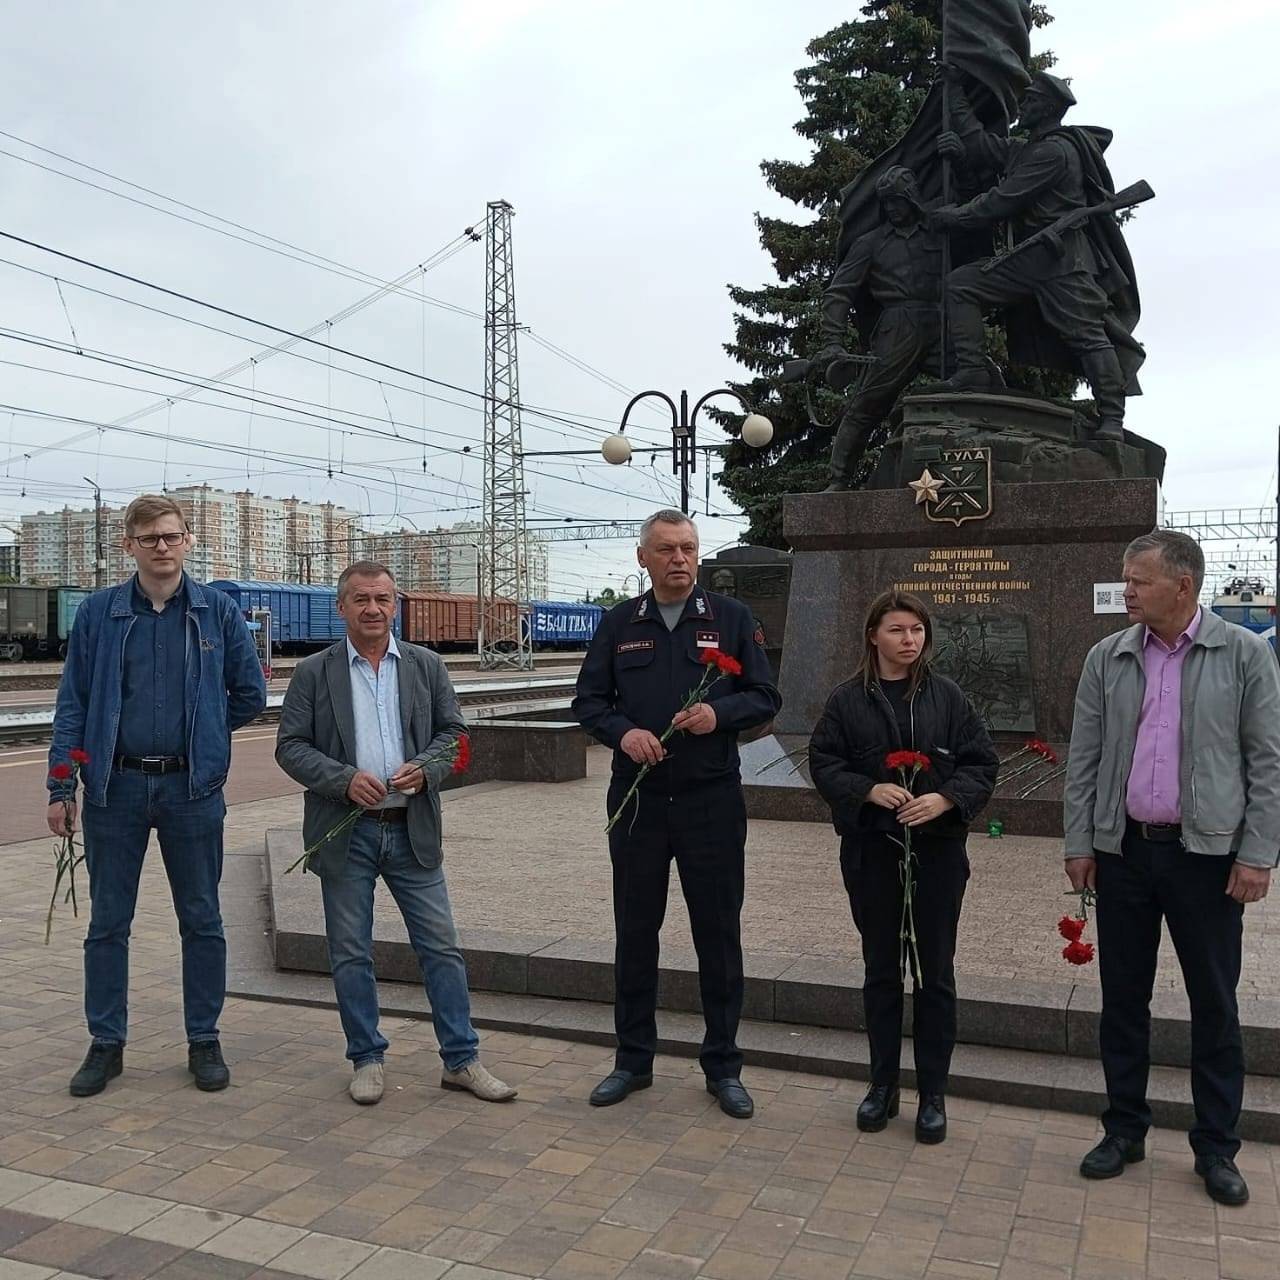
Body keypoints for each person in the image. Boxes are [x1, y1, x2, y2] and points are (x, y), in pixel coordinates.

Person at [1063, 530, 1280, 1206]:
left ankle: (1216, 1147)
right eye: (1126, 578)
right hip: (1125, 852)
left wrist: (1258, 854)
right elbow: (1085, 758)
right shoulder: (1108, 657)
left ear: (1182, 585)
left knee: (1214, 1004)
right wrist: (1080, 842)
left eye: (1140, 580)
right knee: (1122, 1000)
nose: (1126, 591)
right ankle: (1123, 1129)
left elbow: (1267, 761)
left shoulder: (1243, 653)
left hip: (1207, 860)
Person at [48, 493, 267, 1098]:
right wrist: (61, 785)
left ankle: (204, 1040)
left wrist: (205, 737)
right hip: (113, 790)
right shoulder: (99, 614)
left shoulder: (218, 612)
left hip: (191, 791)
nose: (162, 547)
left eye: (171, 536)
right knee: (107, 923)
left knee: (202, 919)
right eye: (149, 539)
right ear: (130, 546)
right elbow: (73, 705)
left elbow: (249, 693)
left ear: (188, 540)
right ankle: (106, 1043)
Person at [275, 561, 514, 1106]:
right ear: (341, 607)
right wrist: (342, 780)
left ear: (395, 605)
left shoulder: (426, 666)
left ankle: (461, 1060)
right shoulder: (314, 672)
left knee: (441, 948)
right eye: (361, 599)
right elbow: (290, 747)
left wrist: (426, 769)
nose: (373, 609)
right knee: (350, 952)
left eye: (382, 599)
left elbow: (454, 735)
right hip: (347, 832)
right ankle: (366, 1058)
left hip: (412, 831)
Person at [572, 510, 781, 1117]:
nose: (679, 559)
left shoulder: (732, 619)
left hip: (709, 800)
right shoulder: (619, 623)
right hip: (638, 801)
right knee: (636, 933)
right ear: (644, 558)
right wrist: (624, 733)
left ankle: (724, 1067)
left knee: (718, 935)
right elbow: (589, 701)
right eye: (666, 549)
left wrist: (720, 715)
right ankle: (632, 1061)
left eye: (688, 548)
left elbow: (765, 695)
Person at [808, 590, 996, 1143]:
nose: (909, 640)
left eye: (916, 630)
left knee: (935, 975)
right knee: (882, 972)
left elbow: (982, 762)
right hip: (873, 852)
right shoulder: (847, 700)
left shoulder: (948, 696)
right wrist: (867, 790)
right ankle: (882, 1085)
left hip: (937, 854)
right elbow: (823, 762)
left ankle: (933, 1093)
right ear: (874, 636)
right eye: (897, 630)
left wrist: (946, 799)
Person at [933, 71, 1144, 440]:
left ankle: (1112, 418)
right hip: (1030, 256)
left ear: (1046, 108)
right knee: (961, 285)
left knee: (1088, 336)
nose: (1022, 106)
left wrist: (956, 217)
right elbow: (980, 142)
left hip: (1061, 260)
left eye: (1030, 101)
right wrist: (953, 91)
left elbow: (1003, 200)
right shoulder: (1028, 148)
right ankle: (972, 370)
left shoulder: (1053, 152)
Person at [814, 166, 946, 491]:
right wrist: (832, 341)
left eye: (897, 201)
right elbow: (838, 293)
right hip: (898, 328)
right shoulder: (870, 243)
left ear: (911, 199)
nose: (892, 208)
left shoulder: (939, 231)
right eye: (886, 203)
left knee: (982, 379)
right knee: (866, 405)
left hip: (943, 323)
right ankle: (838, 479)